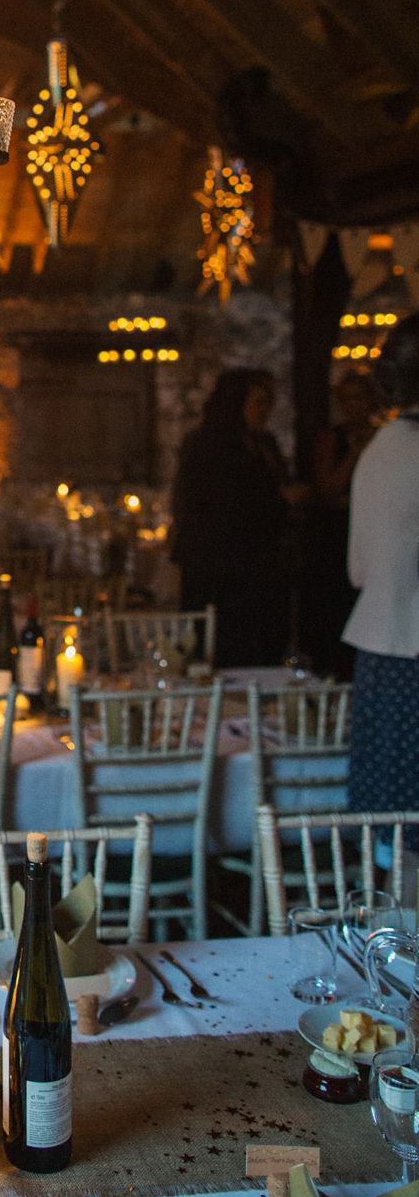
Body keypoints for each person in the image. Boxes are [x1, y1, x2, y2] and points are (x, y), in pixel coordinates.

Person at [344, 314, 419, 824]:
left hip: (382, 653)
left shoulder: (377, 450)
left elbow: (359, 570)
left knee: (389, 828)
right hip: (409, 655)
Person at [171, 368, 298, 667]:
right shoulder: (208, 444)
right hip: (220, 569)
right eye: (258, 402)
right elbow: (216, 504)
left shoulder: (263, 443)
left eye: (269, 402)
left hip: (261, 566)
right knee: (225, 647)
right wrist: (279, 500)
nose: (265, 411)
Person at [301, 370, 383, 676]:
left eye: (357, 398)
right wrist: (358, 451)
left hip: (370, 535)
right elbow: (329, 489)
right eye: (344, 399)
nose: (350, 406)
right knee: (331, 615)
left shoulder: (385, 439)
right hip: (333, 539)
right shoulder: (330, 439)